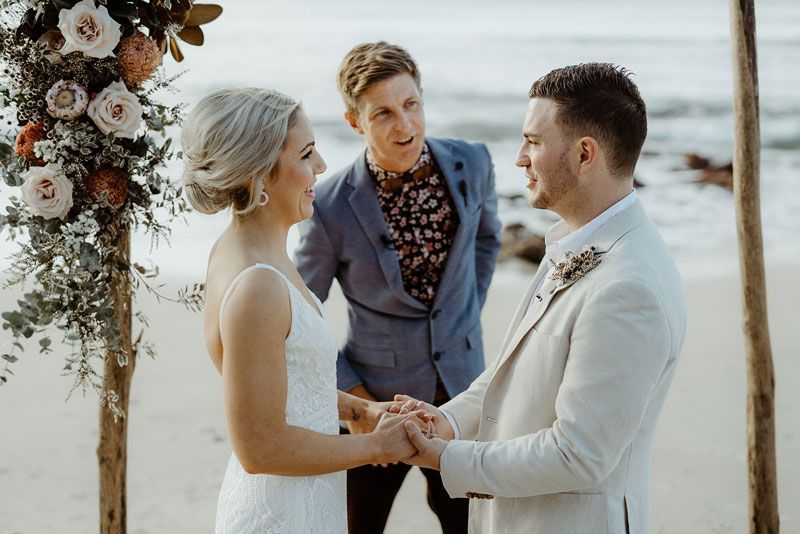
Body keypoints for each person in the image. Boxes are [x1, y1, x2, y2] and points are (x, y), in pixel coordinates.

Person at [395, 63, 688, 533]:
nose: (519, 158)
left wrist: (448, 458)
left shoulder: (629, 287)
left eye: (533, 141)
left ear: (584, 154)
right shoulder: (569, 243)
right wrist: (445, 420)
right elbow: (511, 376)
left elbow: (578, 454)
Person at [181, 87, 430, 534]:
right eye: (306, 154)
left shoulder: (252, 251)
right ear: (259, 173)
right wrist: (378, 447)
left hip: (304, 501)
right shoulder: (257, 283)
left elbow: (284, 383)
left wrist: (361, 413)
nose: (321, 166)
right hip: (280, 514)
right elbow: (261, 448)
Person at [294, 41, 502, 533]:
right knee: (359, 525)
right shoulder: (329, 206)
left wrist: (463, 316)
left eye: (411, 105)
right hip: (377, 407)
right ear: (354, 122)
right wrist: (357, 400)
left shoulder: (473, 163)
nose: (404, 125)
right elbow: (301, 316)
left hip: (461, 392)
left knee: (468, 522)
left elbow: (488, 241)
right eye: (383, 113)